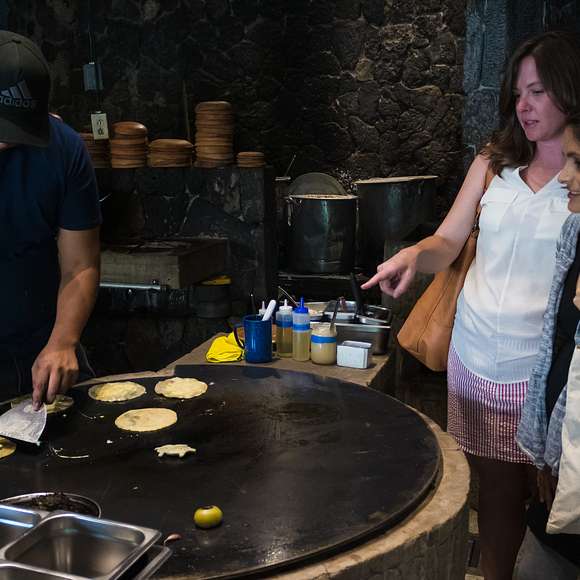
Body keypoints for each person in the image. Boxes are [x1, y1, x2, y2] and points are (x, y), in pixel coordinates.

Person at [362, 30, 580, 579]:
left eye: (537, 92)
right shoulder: (493, 162)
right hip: (479, 357)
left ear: (569, 90)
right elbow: (449, 240)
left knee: (557, 503)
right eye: (518, 94)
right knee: (497, 497)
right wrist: (415, 255)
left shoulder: (578, 177)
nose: (523, 106)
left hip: (548, 373)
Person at [0, 31, 101, 408]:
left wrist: (63, 340)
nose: (5, 142)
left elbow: (81, 264)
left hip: (42, 344)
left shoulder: (64, 149)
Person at [514, 115, 580, 579]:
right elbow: (554, 349)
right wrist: (547, 455)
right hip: (562, 466)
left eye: (578, 162)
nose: (564, 175)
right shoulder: (575, 234)